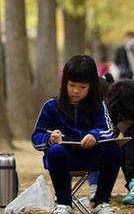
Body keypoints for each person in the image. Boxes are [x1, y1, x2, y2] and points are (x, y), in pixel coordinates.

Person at [32, 54, 121, 214]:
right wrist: (50, 139)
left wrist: (95, 135)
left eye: (82, 87)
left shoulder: (98, 106)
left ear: (91, 86)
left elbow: (108, 130)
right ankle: (64, 203)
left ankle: (101, 202)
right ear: (64, 81)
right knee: (55, 151)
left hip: (91, 156)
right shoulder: (51, 106)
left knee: (114, 149)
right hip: (63, 158)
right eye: (72, 84)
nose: (75, 91)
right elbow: (36, 137)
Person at [89, 79, 134, 205]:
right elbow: (111, 135)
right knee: (120, 145)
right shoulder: (116, 113)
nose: (123, 119)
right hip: (133, 153)